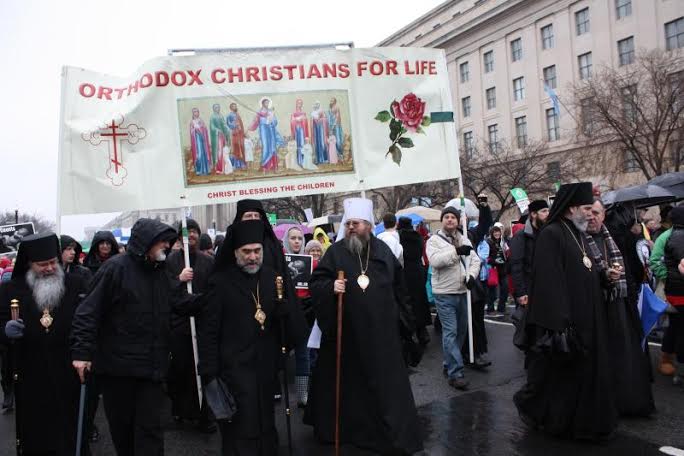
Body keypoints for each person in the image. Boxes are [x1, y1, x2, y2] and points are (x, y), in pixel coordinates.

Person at [71, 218, 205, 455]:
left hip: (152, 371)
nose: (167, 245)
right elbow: (87, 312)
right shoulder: (115, 269)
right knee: (124, 434)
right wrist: (81, 352)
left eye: (168, 240)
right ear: (147, 242)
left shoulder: (161, 272)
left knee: (150, 434)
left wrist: (211, 300)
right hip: (118, 372)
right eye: (162, 241)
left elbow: (180, 301)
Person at [305, 198, 423, 455]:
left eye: (355, 223)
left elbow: (400, 291)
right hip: (347, 335)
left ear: (368, 225)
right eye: (347, 223)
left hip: (382, 336)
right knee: (349, 387)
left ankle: (384, 433)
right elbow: (317, 282)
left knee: (384, 390)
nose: (350, 228)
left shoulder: (383, 252)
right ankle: (347, 431)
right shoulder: (335, 252)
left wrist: (407, 326)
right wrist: (330, 287)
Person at [514, 182, 621, 441]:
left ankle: (584, 423)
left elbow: (584, 268)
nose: (589, 214)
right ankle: (557, 421)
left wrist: (604, 275)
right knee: (562, 379)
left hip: (587, 318)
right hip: (566, 321)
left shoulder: (578, 232)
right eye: (586, 208)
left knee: (581, 376)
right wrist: (561, 323)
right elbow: (549, 282)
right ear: (571, 208)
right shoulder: (552, 234)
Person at [198, 220, 307, 455]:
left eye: (257, 251)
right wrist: (209, 373)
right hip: (233, 370)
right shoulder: (220, 282)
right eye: (246, 252)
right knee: (241, 429)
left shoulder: (272, 278)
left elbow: (284, 327)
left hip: (265, 367)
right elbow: (208, 331)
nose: (253, 257)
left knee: (266, 422)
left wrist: (283, 315)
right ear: (235, 252)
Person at [0, 233, 89, 455]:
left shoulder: (77, 284)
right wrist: (5, 331)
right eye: (42, 265)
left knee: (70, 431)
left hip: (68, 369)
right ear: (29, 264)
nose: (49, 268)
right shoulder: (10, 290)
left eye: (52, 263)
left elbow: (90, 322)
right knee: (37, 434)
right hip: (30, 372)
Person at [586, 199, 654, 416]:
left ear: (604, 215)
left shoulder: (614, 236)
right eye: (588, 213)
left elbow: (630, 265)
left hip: (621, 304)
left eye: (596, 213)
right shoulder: (580, 240)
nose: (592, 217)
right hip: (596, 307)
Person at [166, 219, 216, 432]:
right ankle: (183, 410)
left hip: (203, 323)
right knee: (182, 370)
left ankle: (206, 415)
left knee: (204, 370)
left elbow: (215, 288)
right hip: (180, 325)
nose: (191, 236)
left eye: (194, 231)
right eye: (187, 233)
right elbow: (164, 290)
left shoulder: (208, 261)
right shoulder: (171, 261)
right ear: (180, 237)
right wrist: (179, 278)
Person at [426, 207, 481, 389]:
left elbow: (475, 260)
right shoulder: (433, 240)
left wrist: (472, 276)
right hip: (444, 293)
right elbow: (435, 261)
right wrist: (456, 252)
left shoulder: (463, 238)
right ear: (442, 220)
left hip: (462, 291)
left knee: (461, 332)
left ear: (458, 221)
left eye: (453, 217)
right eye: (447, 217)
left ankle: (448, 363)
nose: (450, 220)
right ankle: (455, 373)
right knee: (450, 332)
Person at [283, 226, 313, 406]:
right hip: (285, 313)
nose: (296, 241)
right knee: (281, 354)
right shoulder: (280, 262)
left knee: (303, 355)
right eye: (293, 238)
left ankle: (303, 394)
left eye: (300, 238)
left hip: (304, 313)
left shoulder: (311, 263)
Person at [398, 216, 432, 345]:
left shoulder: (399, 237)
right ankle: (422, 331)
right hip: (418, 270)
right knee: (420, 300)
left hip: (405, 271)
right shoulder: (418, 237)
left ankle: (410, 332)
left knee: (408, 301)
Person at [509, 200, 549, 308]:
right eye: (544, 211)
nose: (547, 214)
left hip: (547, 287)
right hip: (529, 288)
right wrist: (521, 292)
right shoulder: (521, 236)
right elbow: (516, 265)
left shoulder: (547, 233)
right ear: (534, 214)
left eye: (548, 211)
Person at [650, 221, 677, 376]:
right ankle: (667, 359)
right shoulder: (666, 237)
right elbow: (655, 261)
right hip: (672, 289)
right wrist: (670, 277)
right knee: (673, 325)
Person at [663, 206, 684, 387]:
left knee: (677, 328)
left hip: (677, 290)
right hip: (679, 292)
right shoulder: (679, 236)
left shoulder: (677, 234)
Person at [249, 98, 283, 171]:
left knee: (272, 146)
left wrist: (272, 121)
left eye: (268, 103)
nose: (267, 104)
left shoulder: (271, 111)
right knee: (266, 146)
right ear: (263, 103)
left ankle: (273, 165)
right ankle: (265, 166)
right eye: (266, 103)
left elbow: (275, 121)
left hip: (271, 130)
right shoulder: (259, 112)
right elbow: (255, 121)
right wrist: (250, 127)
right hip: (264, 130)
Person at [486, 224, 509, 316]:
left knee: (505, 289)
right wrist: (493, 261)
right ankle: (490, 309)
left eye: (498, 231)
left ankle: (501, 308)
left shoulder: (502, 242)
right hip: (493, 269)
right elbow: (486, 256)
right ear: (492, 233)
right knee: (492, 291)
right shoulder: (488, 242)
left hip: (503, 268)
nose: (497, 233)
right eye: (495, 232)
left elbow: (506, 252)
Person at [190, 107, 212, 176]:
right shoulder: (192, 122)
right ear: (193, 113)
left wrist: (202, 129)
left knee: (204, 153)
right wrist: (195, 130)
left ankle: (206, 170)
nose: (196, 113)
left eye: (197, 112)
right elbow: (191, 132)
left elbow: (205, 129)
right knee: (198, 154)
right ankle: (199, 170)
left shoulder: (201, 120)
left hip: (203, 140)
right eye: (195, 112)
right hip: (197, 141)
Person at [210, 103, 230, 174]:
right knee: (218, 152)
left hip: (222, 136)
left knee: (223, 151)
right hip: (216, 137)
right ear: (213, 109)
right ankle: (219, 168)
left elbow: (224, 124)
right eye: (215, 107)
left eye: (218, 107)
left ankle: (224, 167)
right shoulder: (212, 117)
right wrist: (217, 130)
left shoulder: (221, 116)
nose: (217, 108)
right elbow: (212, 127)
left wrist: (227, 129)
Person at [227, 103, 247, 170]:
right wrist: (234, 125)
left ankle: (243, 164)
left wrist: (242, 132)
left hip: (240, 134)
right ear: (231, 108)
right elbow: (228, 124)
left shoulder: (237, 114)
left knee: (241, 147)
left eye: (235, 106)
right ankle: (237, 164)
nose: (235, 107)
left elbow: (241, 124)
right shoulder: (229, 115)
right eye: (233, 106)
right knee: (236, 148)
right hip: (235, 133)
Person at [290, 98, 309, 168]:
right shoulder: (293, 113)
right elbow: (292, 122)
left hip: (302, 131)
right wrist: (296, 119)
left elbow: (306, 122)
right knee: (297, 145)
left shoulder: (304, 113)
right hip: (296, 131)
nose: (299, 104)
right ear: (296, 104)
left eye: (301, 103)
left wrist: (303, 119)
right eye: (298, 103)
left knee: (302, 145)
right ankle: (298, 161)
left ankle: (303, 161)